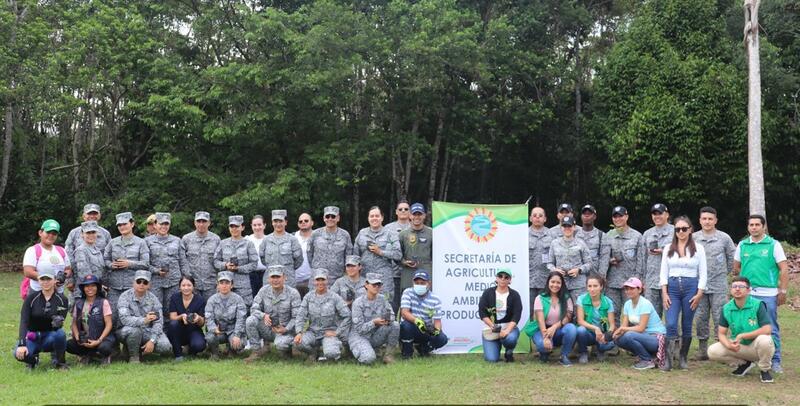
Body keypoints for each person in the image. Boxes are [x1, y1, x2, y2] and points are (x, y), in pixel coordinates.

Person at [733, 214, 788, 373]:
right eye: (751, 225)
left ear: (764, 227)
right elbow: (736, 267)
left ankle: (775, 360)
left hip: (768, 293)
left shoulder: (773, 244)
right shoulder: (743, 245)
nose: (754, 227)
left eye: (757, 224)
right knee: (745, 325)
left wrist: (782, 290)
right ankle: (747, 360)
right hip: (747, 293)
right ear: (748, 227)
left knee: (770, 326)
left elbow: (783, 268)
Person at [659, 215, 707, 370]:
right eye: (677, 229)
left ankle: (683, 357)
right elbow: (663, 272)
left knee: (687, 324)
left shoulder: (698, 248)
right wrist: (664, 293)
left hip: (690, 287)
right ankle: (668, 358)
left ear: (690, 230)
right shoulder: (668, 247)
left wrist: (699, 293)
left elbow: (703, 273)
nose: (681, 232)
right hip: (672, 287)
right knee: (671, 323)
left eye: (684, 229)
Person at [707, 277, 776, 383]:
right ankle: (744, 363)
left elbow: (767, 329)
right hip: (739, 346)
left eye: (741, 287)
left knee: (765, 340)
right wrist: (729, 345)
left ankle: (764, 369)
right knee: (712, 351)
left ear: (748, 290)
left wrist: (743, 335)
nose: (737, 289)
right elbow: (721, 333)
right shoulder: (726, 308)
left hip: (757, 346)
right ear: (731, 290)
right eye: (734, 286)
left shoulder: (757, 305)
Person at [693, 206, 736, 360]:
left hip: (719, 285)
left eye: (710, 219)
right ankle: (703, 350)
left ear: (715, 220)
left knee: (721, 317)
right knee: (701, 317)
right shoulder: (693, 238)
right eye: (704, 218)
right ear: (700, 220)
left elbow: (732, 258)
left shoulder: (724, 238)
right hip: (699, 286)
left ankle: (722, 349)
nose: (707, 221)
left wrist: (724, 273)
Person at [15, 267, 70, 370]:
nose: (45, 282)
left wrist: (58, 322)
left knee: (60, 333)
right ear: (38, 280)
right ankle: (33, 361)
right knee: (18, 354)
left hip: (49, 336)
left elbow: (61, 320)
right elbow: (24, 321)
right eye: (42, 279)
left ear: (54, 280)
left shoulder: (62, 300)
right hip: (32, 336)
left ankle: (60, 363)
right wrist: (22, 344)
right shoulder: (31, 298)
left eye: (48, 279)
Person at [244, 265, 303, 362]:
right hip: (269, 329)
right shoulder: (263, 290)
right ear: (268, 279)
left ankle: (288, 351)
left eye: (278, 277)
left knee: (281, 345)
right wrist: (264, 315)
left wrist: (286, 329)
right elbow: (254, 309)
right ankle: (256, 352)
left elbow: (297, 317)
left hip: (285, 331)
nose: (275, 280)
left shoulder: (293, 293)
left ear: (284, 277)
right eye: (273, 277)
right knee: (250, 320)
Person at [293, 269, 352, 362]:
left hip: (328, 333)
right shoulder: (308, 297)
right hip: (313, 332)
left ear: (327, 281)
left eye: (323, 280)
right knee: (298, 343)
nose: (320, 283)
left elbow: (347, 316)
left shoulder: (334, 297)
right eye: (318, 280)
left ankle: (334, 351)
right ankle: (313, 353)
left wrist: (337, 332)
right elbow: (301, 316)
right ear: (314, 281)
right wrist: (299, 332)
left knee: (331, 353)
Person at [115, 270, 172, 363]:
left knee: (165, 346)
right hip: (125, 330)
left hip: (146, 331)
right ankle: (134, 357)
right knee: (135, 331)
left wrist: (152, 341)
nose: (141, 284)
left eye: (145, 282)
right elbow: (125, 319)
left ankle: (137, 349)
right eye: (138, 281)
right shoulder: (124, 297)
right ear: (133, 283)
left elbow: (158, 322)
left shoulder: (153, 299)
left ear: (149, 285)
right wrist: (144, 320)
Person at [612, 277, 666, 370]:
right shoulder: (627, 304)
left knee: (629, 335)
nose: (629, 291)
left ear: (640, 289)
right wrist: (615, 334)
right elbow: (624, 325)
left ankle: (647, 360)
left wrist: (622, 329)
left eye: (632, 288)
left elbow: (641, 328)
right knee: (618, 339)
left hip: (656, 337)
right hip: (643, 336)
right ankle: (647, 356)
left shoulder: (645, 303)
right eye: (627, 289)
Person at [104, 212, 150, 316]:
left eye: (125, 224)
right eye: (119, 225)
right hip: (115, 287)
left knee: (132, 316)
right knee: (113, 316)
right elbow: (105, 259)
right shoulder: (112, 242)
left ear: (132, 224)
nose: (122, 227)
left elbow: (146, 264)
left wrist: (129, 264)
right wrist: (111, 265)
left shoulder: (141, 243)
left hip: (132, 287)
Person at [599, 206, 644, 312]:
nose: (617, 219)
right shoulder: (608, 235)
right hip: (612, 282)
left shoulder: (637, 236)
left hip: (631, 281)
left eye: (621, 216)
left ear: (627, 217)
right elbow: (603, 258)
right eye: (615, 216)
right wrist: (609, 263)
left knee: (633, 314)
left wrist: (638, 280)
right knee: (612, 313)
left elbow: (641, 260)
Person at [349, 272, 400, 364]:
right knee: (369, 359)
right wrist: (374, 322)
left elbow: (392, 315)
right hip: (360, 337)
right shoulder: (358, 303)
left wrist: (387, 320)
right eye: (374, 284)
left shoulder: (382, 299)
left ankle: (388, 355)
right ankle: (360, 351)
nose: (376, 287)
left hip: (375, 335)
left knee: (395, 325)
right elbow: (359, 329)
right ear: (366, 285)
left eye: (379, 285)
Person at [354, 206, 402, 302]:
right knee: (365, 305)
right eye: (372, 216)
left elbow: (398, 254)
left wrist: (380, 252)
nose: (374, 218)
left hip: (384, 280)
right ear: (368, 218)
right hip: (365, 278)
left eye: (377, 216)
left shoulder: (390, 234)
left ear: (382, 218)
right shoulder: (362, 233)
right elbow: (355, 256)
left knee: (385, 307)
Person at [528, 271, 577, 366]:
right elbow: (540, 319)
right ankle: (544, 352)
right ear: (548, 283)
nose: (555, 285)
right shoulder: (540, 298)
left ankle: (564, 356)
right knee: (543, 345)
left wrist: (554, 327)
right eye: (552, 282)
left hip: (558, 329)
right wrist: (545, 337)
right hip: (542, 329)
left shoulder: (566, 298)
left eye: (558, 283)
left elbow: (568, 317)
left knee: (571, 328)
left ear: (562, 284)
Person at [145, 212, 187, 319]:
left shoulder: (177, 240)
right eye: (161, 224)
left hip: (173, 281)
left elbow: (183, 261)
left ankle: (171, 334)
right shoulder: (147, 241)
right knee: (156, 309)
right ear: (155, 225)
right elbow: (145, 263)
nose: (164, 226)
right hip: (155, 281)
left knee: (172, 309)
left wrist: (186, 279)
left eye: (166, 224)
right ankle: (158, 332)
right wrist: (156, 271)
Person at [66, 274, 115, 365]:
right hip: (86, 339)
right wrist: (78, 339)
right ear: (83, 288)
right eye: (87, 286)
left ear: (97, 287)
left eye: (93, 286)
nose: (90, 288)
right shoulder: (79, 303)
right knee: (68, 345)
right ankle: (86, 355)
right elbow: (74, 323)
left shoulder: (103, 302)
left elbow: (109, 324)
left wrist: (99, 340)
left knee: (104, 348)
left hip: (102, 339)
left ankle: (104, 356)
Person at [399, 271, 448, 358]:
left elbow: (437, 321)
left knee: (442, 339)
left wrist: (436, 330)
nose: (419, 285)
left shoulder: (435, 299)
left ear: (429, 283)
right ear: (413, 283)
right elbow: (404, 312)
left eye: (422, 283)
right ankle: (407, 353)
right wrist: (416, 321)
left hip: (426, 329)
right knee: (406, 325)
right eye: (417, 283)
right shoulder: (407, 292)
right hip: (411, 327)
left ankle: (424, 350)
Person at [478, 269, 522, 363]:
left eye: (506, 277)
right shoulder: (487, 293)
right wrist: (496, 328)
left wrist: (507, 331)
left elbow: (516, 315)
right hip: (491, 329)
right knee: (491, 359)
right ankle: (496, 347)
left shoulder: (515, 295)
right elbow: (482, 313)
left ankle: (509, 351)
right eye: (500, 276)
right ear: (496, 278)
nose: (503, 279)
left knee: (510, 339)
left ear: (510, 280)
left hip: (508, 329)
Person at [214, 215, 259, 307]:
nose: (234, 229)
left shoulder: (248, 244)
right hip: (225, 284)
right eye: (232, 226)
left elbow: (254, 264)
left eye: (237, 226)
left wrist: (238, 268)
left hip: (243, 285)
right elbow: (215, 261)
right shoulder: (223, 243)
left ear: (242, 227)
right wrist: (225, 265)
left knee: (244, 309)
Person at [546, 215, 592, 304]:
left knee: (578, 310)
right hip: (560, 284)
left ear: (574, 227)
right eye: (564, 226)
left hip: (578, 284)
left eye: (569, 226)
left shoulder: (581, 243)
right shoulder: (554, 243)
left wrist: (579, 270)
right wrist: (555, 270)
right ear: (561, 228)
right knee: (561, 310)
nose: (567, 228)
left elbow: (589, 263)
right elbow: (549, 263)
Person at [22, 219, 71, 296]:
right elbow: (28, 272)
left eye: (54, 234)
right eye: (48, 232)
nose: (51, 235)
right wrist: (50, 281)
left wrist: (63, 277)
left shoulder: (61, 250)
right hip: (38, 292)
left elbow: (68, 269)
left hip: (58, 292)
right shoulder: (32, 250)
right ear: (40, 232)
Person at [205, 271, 248, 360]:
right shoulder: (212, 300)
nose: (224, 286)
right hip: (219, 331)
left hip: (232, 330)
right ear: (217, 285)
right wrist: (214, 329)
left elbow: (241, 318)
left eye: (227, 283)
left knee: (239, 344)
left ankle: (231, 350)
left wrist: (237, 335)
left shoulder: (238, 299)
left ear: (232, 285)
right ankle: (215, 353)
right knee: (210, 337)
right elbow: (209, 318)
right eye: (221, 283)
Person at [641, 203, 674, 317]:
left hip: (670, 280)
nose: (657, 216)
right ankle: (653, 335)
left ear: (667, 215)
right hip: (651, 280)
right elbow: (642, 258)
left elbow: (682, 252)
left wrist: (664, 250)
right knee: (651, 315)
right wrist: (642, 280)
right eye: (654, 214)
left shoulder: (676, 231)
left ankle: (673, 335)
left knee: (671, 315)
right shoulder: (647, 234)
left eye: (660, 213)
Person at [575, 274, 617, 363]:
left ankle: (600, 350)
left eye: (595, 286)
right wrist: (596, 328)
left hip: (602, 333)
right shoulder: (581, 299)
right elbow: (580, 321)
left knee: (612, 343)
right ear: (586, 287)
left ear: (601, 287)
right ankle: (583, 352)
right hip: (588, 332)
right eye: (589, 286)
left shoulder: (608, 302)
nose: (592, 289)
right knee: (580, 330)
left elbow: (612, 324)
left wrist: (606, 335)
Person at [307, 206, 353, 286]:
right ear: (324, 218)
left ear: (338, 218)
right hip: (318, 279)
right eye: (327, 216)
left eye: (333, 216)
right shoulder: (315, 234)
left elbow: (348, 257)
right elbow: (309, 253)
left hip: (337, 279)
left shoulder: (345, 235)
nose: (330, 219)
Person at [182, 211, 221, 300]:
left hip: (211, 284)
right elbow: (182, 261)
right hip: (192, 284)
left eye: (204, 221)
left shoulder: (216, 239)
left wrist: (219, 282)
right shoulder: (186, 239)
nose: (201, 224)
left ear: (209, 223)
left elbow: (219, 261)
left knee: (210, 311)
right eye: (199, 221)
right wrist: (186, 280)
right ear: (195, 223)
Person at [260, 210, 303, 288]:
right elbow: (263, 258)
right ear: (272, 222)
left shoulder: (292, 240)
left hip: (288, 281)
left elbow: (299, 260)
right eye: (275, 221)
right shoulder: (266, 240)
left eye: (281, 221)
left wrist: (288, 269)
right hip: (269, 282)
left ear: (285, 222)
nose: (278, 224)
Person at [167, 276, 207, 361]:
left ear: (193, 286)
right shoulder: (175, 297)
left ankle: (191, 350)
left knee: (199, 345)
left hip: (193, 330)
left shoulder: (200, 300)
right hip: (178, 330)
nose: (186, 288)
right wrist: (181, 316)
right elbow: (172, 317)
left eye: (189, 285)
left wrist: (198, 318)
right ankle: (178, 354)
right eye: (183, 285)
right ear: (179, 287)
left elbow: (202, 323)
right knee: (173, 324)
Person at [398, 202, 433, 291]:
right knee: (407, 297)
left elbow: (436, 255)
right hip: (408, 273)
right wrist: (403, 262)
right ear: (410, 216)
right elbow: (397, 255)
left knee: (426, 299)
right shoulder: (403, 234)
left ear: (424, 216)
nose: (417, 217)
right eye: (414, 214)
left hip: (426, 271)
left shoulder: (431, 233)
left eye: (419, 214)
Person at [71, 221, 106, 300]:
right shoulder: (81, 250)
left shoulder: (97, 250)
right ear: (82, 234)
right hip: (85, 293)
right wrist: (97, 287)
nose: (91, 235)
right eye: (88, 233)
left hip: (96, 292)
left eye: (93, 232)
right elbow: (85, 275)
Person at [385, 200, 412, 305]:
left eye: (406, 209)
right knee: (394, 304)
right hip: (393, 273)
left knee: (409, 304)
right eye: (400, 209)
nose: (403, 211)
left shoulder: (415, 227)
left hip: (411, 272)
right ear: (396, 212)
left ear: (410, 212)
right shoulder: (388, 228)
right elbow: (386, 250)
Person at [528, 207, 553, 303]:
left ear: (545, 219)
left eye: (540, 216)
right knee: (530, 310)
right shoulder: (523, 234)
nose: (537, 218)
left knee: (545, 309)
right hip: (529, 280)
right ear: (530, 218)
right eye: (534, 215)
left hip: (546, 280)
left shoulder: (551, 234)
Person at [575, 204, 605, 275]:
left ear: (594, 216)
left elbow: (604, 259)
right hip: (577, 278)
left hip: (595, 277)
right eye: (584, 214)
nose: (586, 216)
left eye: (589, 214)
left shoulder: (601, 235)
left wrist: (601, 276)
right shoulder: (574, 234)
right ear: (581, 216)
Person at [245, 215, 268, 297]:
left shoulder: (269, 239)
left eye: (259, 225)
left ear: (264, 225)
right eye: (254, 225)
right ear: (251, 226)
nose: (257, 227)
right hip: (251, 275)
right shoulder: (247, 240)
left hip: (266, 274)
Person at [294, 212, 315, 297]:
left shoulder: (318, 237)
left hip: (312, 280)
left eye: (306, 220)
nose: (303, 222)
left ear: (312, 223)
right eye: (300, 221)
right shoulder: (292, 238)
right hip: (295, 281)